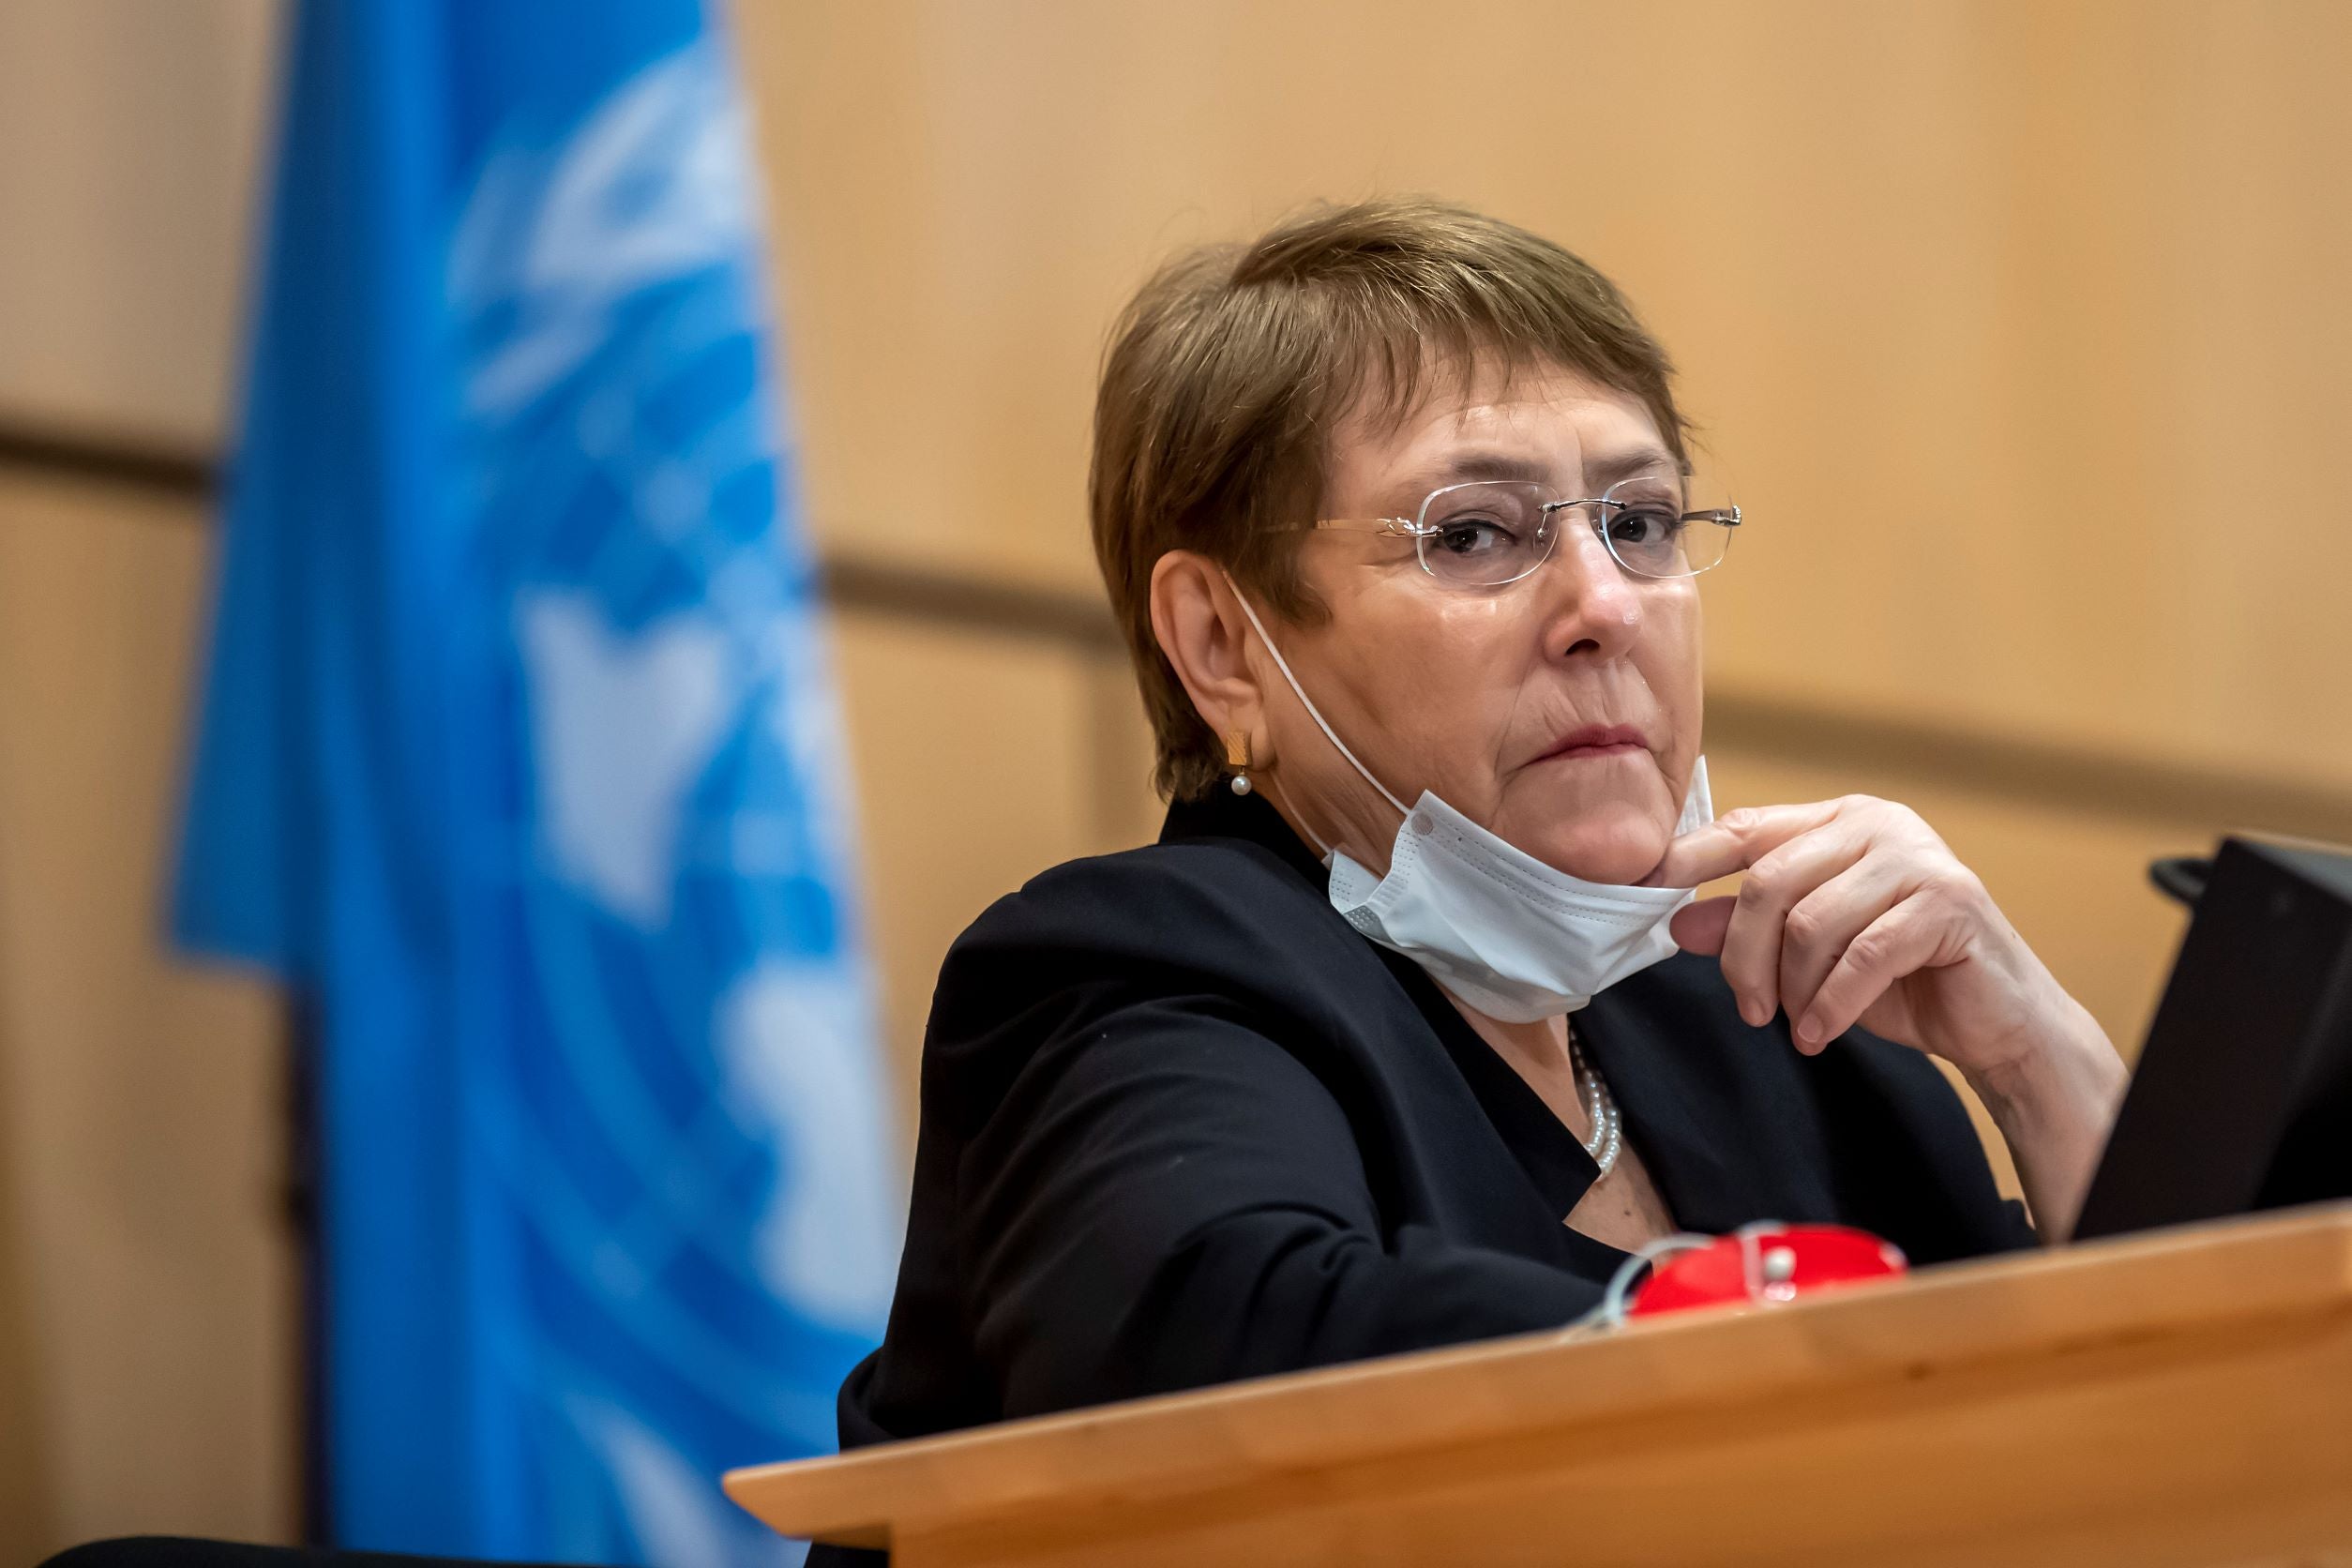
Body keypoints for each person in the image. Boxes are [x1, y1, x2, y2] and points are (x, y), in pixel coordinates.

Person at [817, 197, 2128, 1544]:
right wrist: (1745, 1330)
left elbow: (2170, 1436)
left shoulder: (1779, 1022)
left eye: (1641, 521)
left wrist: (2039, 1059)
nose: (1605, 607)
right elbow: (1215, 1340)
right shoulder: (1142, 972)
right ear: (1220, 642)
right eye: (1474, 535)